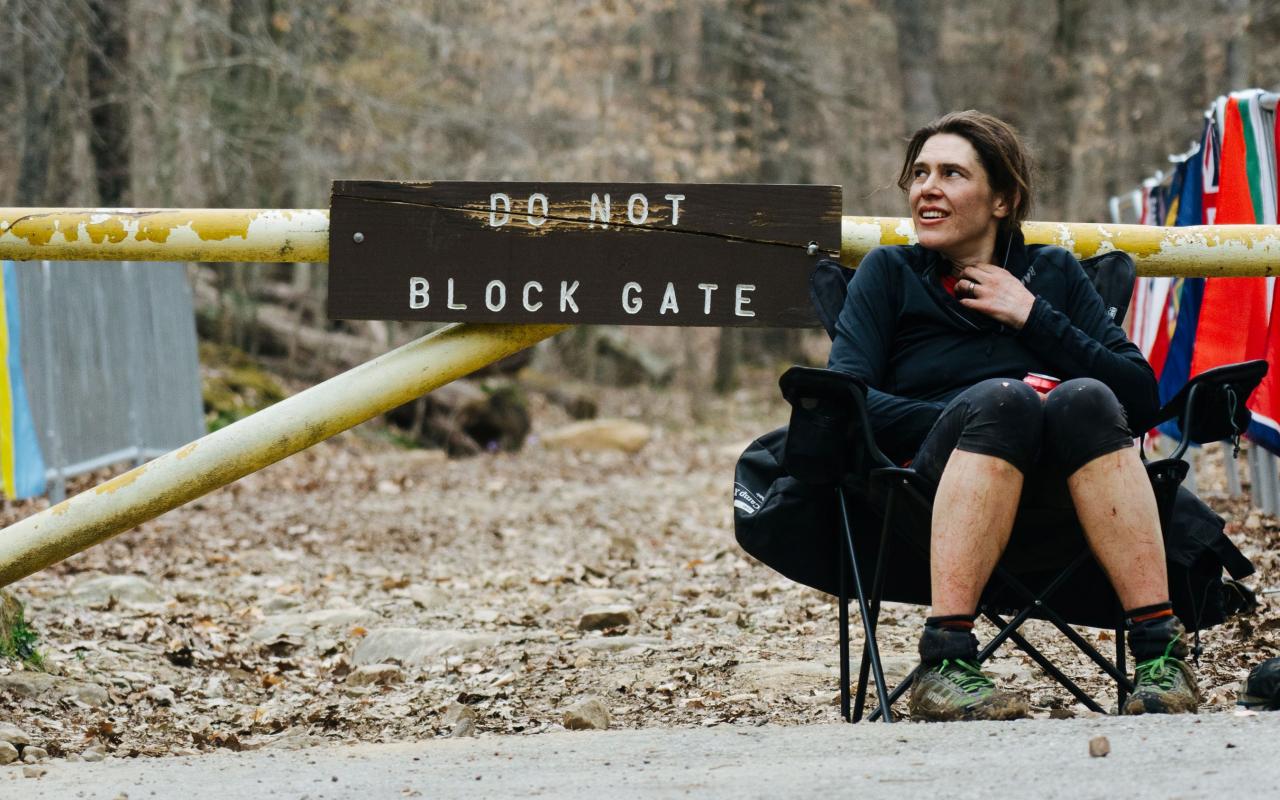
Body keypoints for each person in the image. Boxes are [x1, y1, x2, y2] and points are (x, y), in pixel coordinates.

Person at [827, 110, 1197, 721]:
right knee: (1005, 399)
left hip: (1067, 493)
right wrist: (973, 414)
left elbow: (1141, 397)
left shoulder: (1050, 273)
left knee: (1088, 397)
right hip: (931, 488)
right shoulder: (888, 274)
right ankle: (945, 661)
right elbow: (845, 398)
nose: (927, 188)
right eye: (919, 174)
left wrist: (1032, 315)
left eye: (951, 173)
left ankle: (1161, 655)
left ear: (1003, 198)